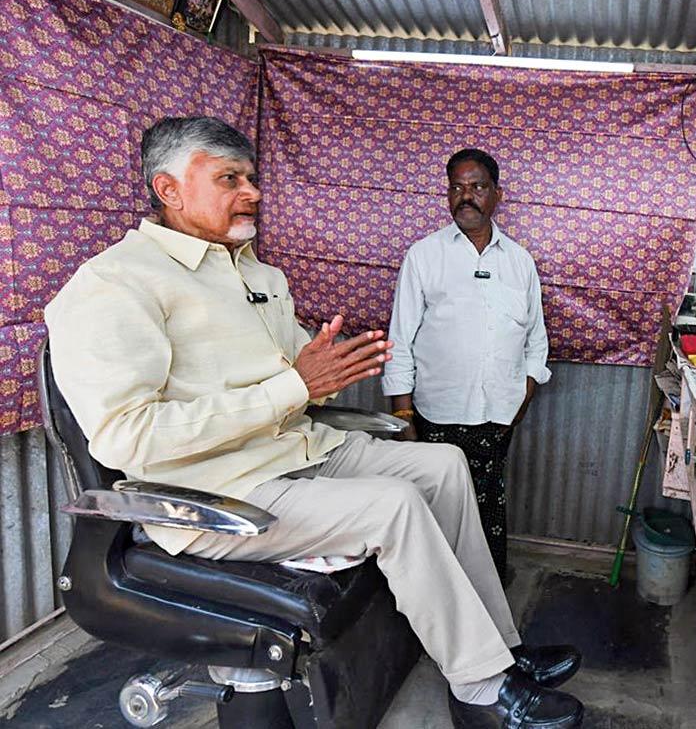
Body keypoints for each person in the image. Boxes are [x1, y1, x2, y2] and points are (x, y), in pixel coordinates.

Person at [44, 117, 582, 729]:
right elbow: (126, 436)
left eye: (251, 178)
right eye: (228, 180)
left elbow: (300, 375)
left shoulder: (258, 275)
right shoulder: (116, 283)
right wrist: (296, 385)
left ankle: (499, 651)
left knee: (444, 464)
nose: (251, 193)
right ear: (169, 190)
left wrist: (325, 370)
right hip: (219, 491)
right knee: (395, 505)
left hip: (298, 453)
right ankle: (482, 689)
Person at [383, 148, 550, 579]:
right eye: (456, 187)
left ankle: (485, 600)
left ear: (497, 195)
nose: (466, 197)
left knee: (487, 513)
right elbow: (399, 340)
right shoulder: (423, 256)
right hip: (435, 416)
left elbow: (536, 343)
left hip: (498, 417)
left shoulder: (519, 262)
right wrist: (403, 416)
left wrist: (522, 399)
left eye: (477, 187)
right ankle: (434, 604)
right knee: (432, 517)